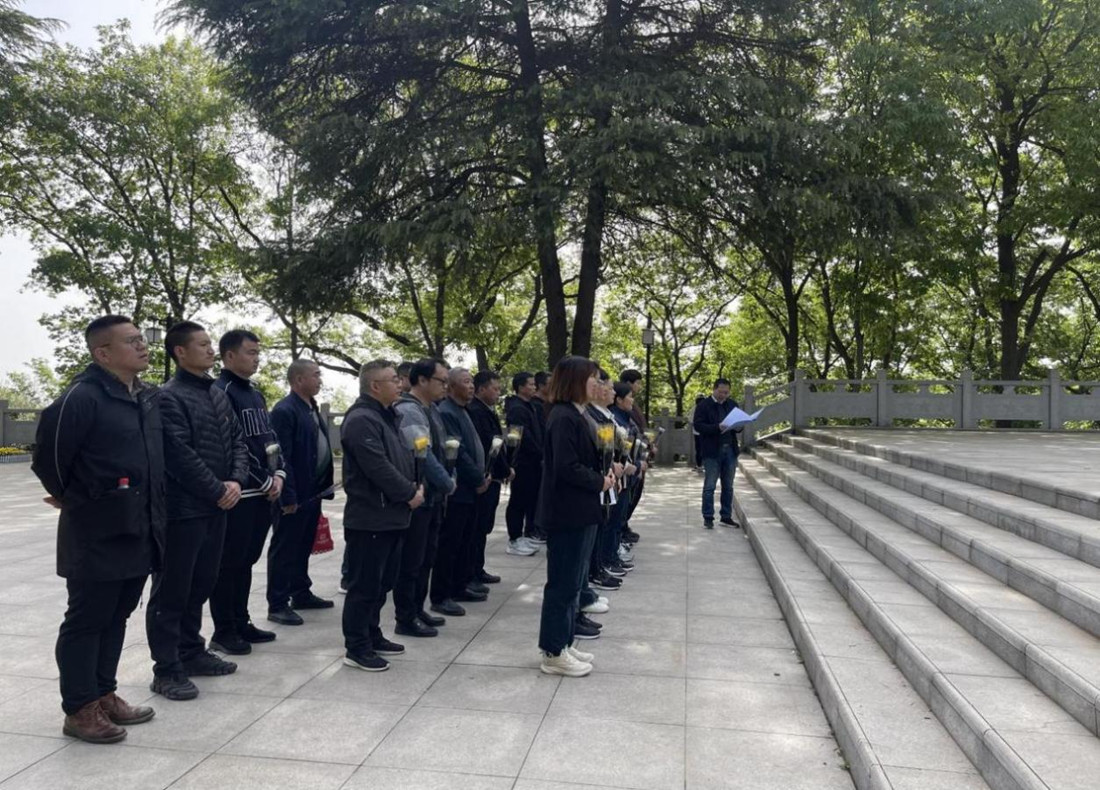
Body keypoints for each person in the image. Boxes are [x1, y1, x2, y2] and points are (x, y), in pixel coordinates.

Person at [32, 315, 162, 743]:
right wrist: (75, 498)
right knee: (87, 619)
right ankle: (79, 708)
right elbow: (48, 459)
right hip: (96, 531)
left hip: (138, 525)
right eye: (131, 341)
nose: (142, 346)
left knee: (118, 614)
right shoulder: (82, 397)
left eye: (142, 339)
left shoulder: (143, 396)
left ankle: (104, 692)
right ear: (102, 353)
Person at [148, 321, 249, 701]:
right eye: (203, 344)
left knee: (202, 583)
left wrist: (236, 481)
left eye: (210, 344)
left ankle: (191, 652)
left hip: (216, 507)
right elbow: (178, 455)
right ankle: (166, 668)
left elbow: (238, 442)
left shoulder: (217, 394)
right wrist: (217, 490)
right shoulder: (168, 397)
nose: (210, 350)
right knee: (172, 591)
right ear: (180, 352)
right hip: (183, 510)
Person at [340, 360, 425, 672]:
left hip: (391, 515)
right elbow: (377, 467)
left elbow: (401, 459)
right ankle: (357, 647)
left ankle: (372, 634)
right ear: (375, 386)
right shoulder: (361, 419)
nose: (400, 384)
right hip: (371, 516)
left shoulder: (387, 415)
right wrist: (408, 493)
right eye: (393, 380)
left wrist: (415, 485)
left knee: (382, 582)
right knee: (364, 585)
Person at [537, 356, 615, 678]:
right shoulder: (563, 417)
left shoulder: (576, 414)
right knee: (563, 584)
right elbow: (566, 467)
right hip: (567, 512)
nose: (597, 384)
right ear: (575, 381)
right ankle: (553, 652)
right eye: (592, 378)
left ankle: (564, 642)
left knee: (572, 582)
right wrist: (599, 481)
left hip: (581, 510)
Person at [209, 330, 284, 655]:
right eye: (250, 352)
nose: (256, 358)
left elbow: (269, 438)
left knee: (246, 562)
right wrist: (262, 479)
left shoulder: (254, 393)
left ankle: (242, 621)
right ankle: (224, 630)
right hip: (240, 493)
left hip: (264, 492)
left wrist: (279, 473)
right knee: (229, 564)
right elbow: (233, 445)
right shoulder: (220, 391)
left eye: (257, 352)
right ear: (229, 356)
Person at [267, 359, 336, 625]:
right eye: (315, 375)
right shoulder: (285, 410)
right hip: (294, 493)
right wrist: (288, 496)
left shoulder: (310, 407)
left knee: (303, 544)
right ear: (298, 380)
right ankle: (278, 603)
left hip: (312, 491)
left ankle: (301, 592)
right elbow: (282, 456)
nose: (320, 380)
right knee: (285, 548)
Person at [392, 358, 454, 638]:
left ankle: (418, 609)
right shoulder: (409, 410)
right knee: (411, 561)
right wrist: (446, 482)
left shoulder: (432, 409)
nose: (445, 386)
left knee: (426, 558)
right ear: (422, 380)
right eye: (442, 381)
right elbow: (422, 454)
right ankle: (406, 617)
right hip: (419, 498)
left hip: (433, 497)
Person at [432, 368, 489, 615]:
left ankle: (460, 585)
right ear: (451, 386)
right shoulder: (447, 412)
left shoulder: (463, 410)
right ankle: (442, 594)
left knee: (466, 539)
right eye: (466, 382)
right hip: (459, 488)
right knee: (450, 543)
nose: (471, 386)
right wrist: (477, 477)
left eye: (472, 381)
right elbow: (459, 451)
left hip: (471, 488)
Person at [467, 370, 513, 584]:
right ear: (481, 389)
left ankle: (478, 568)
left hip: (492, 476)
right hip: (485, 477)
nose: (498, 393)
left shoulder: (486, 410)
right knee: (477, 528)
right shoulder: (476, 412)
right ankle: (471, 572)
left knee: (483, 526)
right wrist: (503, 469)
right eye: (494, 389)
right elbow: (489, 444)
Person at [692, 377, 742, 529]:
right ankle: (708, 517)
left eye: (726, 392)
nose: (723, 395)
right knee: (710, 486)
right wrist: (717, 427)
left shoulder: (732, 404)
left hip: (730, 449)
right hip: (712, 450)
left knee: (728, 486)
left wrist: (739, 426)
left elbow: (739, 424)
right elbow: (698, 426)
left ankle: (726, 516)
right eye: (721, 392)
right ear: (714, 389)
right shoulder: (704, 405)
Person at [504, 372, 545, 553]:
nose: (534, 387)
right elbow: (523, 437)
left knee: (530, 498)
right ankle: (514, 537)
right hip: (523, 461)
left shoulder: (529, 406)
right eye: (530, 384)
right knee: (518, 500)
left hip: (534, 461)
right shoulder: (517, 409)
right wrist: (539, 452)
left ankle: (525, 535)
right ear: (520, 387)